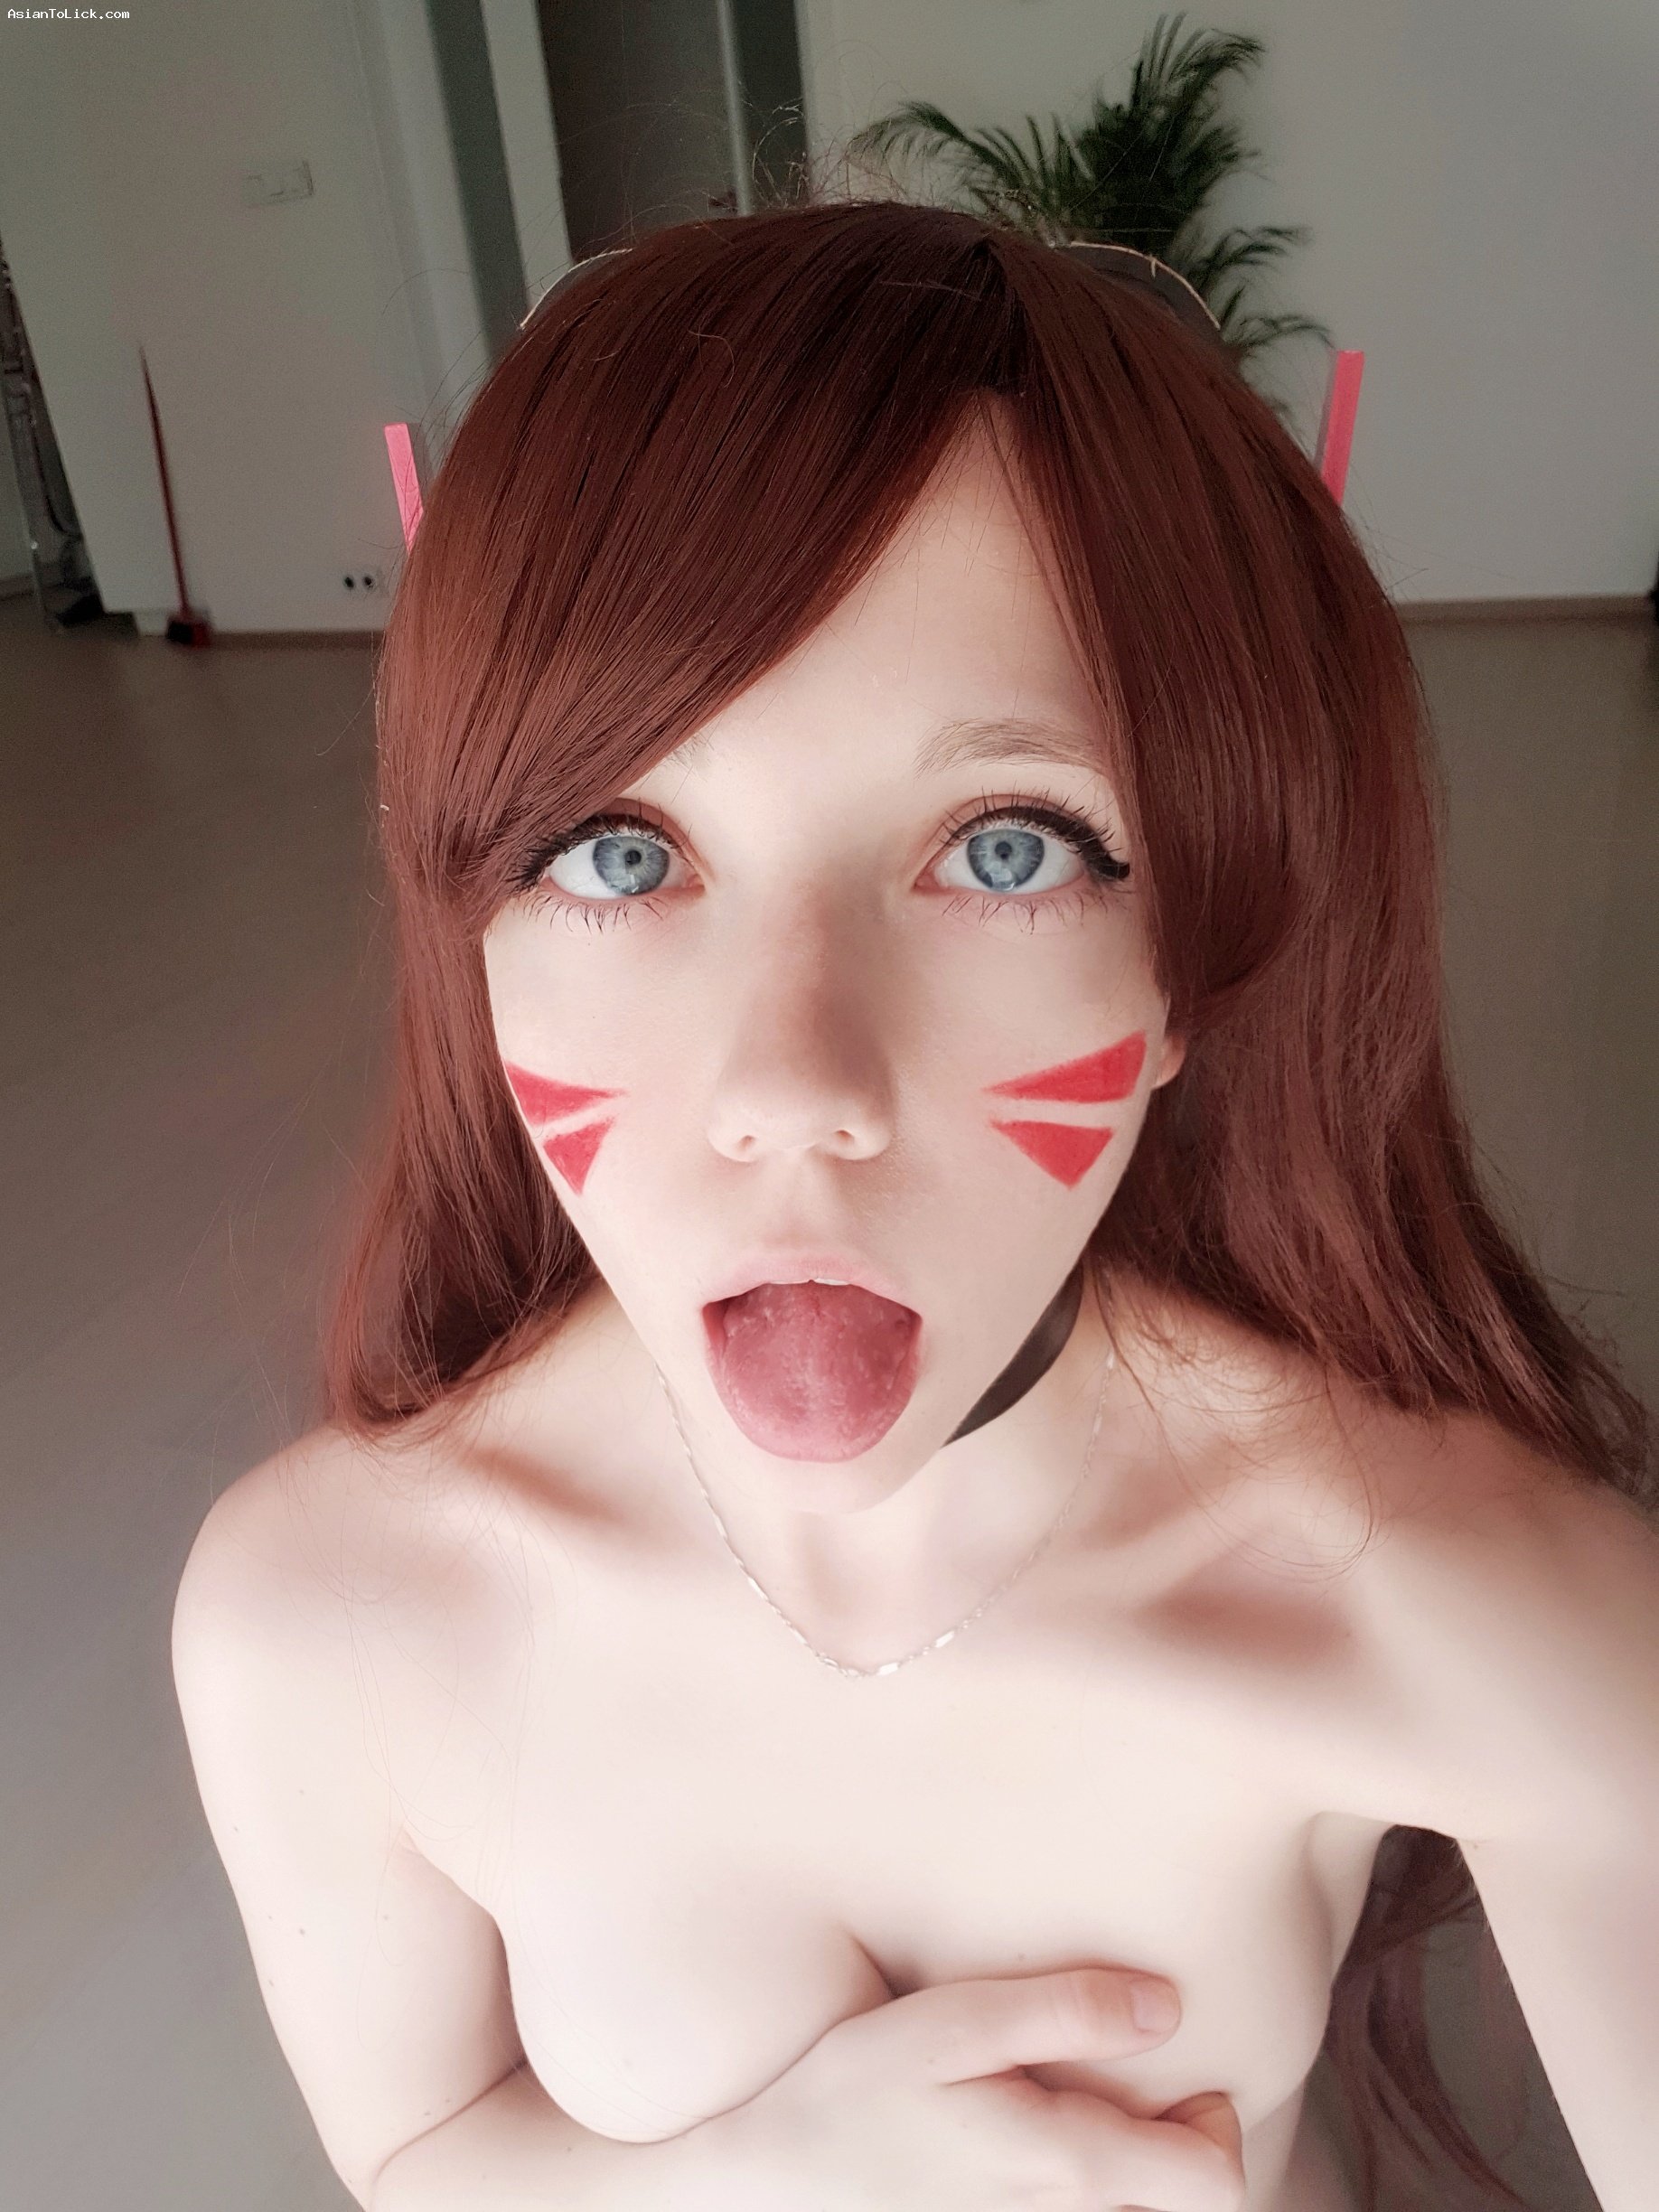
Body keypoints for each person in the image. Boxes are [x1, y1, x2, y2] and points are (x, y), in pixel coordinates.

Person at [171, 200, 1657, 2212]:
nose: (796, 1088)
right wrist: (763, 2169)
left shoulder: (1467, 1605)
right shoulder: (319, 1616)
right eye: (618, 851)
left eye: (1009, 846)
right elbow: (416, 2155)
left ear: (1190, 971)